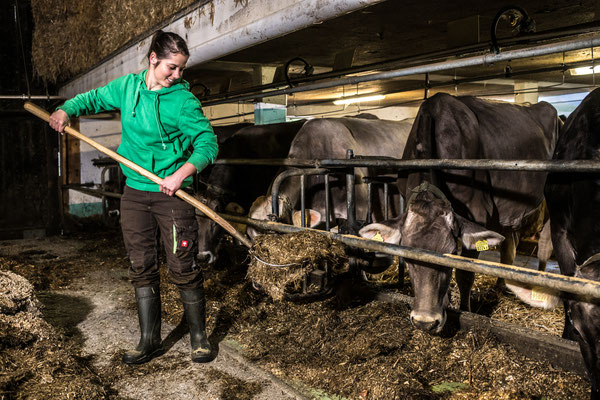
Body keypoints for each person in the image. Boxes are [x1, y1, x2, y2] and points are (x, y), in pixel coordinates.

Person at [48, 30, 218, 365]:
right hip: (135, 193)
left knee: (182, 266)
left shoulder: (183, 101)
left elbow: (207, 144)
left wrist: (180, 174)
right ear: (153, 58)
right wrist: (66, 110)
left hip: (173, 194)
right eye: (172, 67)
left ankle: (199, 337)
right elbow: (89, 100)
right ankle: (149, 339)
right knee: (141, 265)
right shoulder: (127, 88)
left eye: (181, 69)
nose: (177, 76)